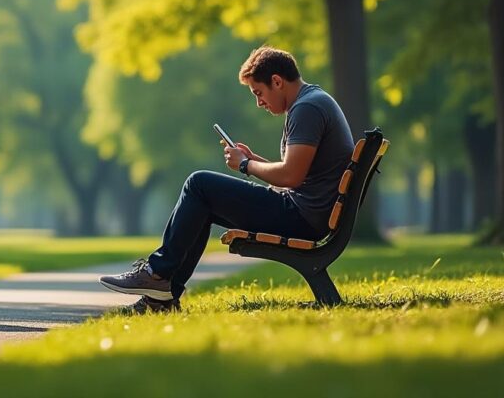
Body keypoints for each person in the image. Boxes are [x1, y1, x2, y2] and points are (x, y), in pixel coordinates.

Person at [99, 46, 354, 313]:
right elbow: (298, 175)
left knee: (198, 184)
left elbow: (291, 176)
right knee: (203, 203)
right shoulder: (312, 101)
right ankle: (161, 296)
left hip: (302, 218)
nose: (259, 102)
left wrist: (245, 165)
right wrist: (254, 160)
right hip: (307, 214)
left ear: (277, 81)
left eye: (259, 93)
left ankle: (156, 274)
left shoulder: (307, 109)